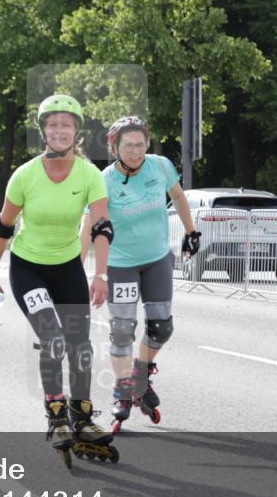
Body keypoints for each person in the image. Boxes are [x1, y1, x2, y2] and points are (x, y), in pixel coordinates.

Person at [0, 95, 117, 467]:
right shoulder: (25, 174)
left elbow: (102, 225)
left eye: (66, 125)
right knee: (53, 338)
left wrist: (100, 274)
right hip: (29, 268)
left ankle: (83, 417)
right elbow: (3, 226)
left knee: (80, 345)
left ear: (76, 132)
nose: (60, 131)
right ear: (44, 132)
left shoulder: (89, 173)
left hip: (68, 267)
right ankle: (56, 414)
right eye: (53, 125)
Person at [82, 116, 199, 434]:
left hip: (157, 258)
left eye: (141, 144)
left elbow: (177, 196)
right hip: (121, 264)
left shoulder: (159, 166)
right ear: (114, 147)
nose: (137, 151)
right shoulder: (102, 180)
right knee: (122, 330)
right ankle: (122, 391)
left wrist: (191, 232)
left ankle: (141, 373)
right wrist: (82, 268)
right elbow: (89, 226)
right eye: (129, 145)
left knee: (162, 327)